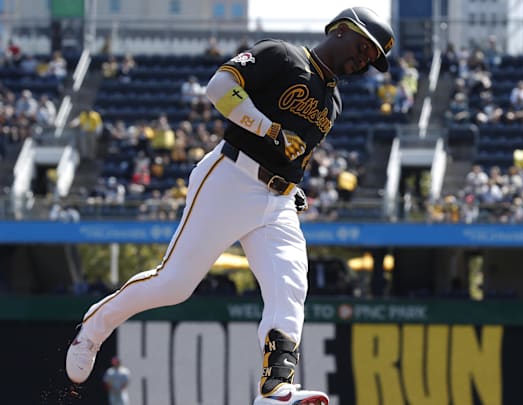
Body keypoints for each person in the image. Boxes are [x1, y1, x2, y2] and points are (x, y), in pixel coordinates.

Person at [65, 7, 394, 405]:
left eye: (371, 58)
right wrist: (269, 129)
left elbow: (295, 152)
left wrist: (294, 183)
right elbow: (219, 88)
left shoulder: (333, 101)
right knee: (174, 284)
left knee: (290, 285)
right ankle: (94, 327)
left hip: (277, 200)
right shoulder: (283, 54)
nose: (363, 60)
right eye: (363, 47)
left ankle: (277, 388)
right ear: (340, 30)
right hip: (231, 177)